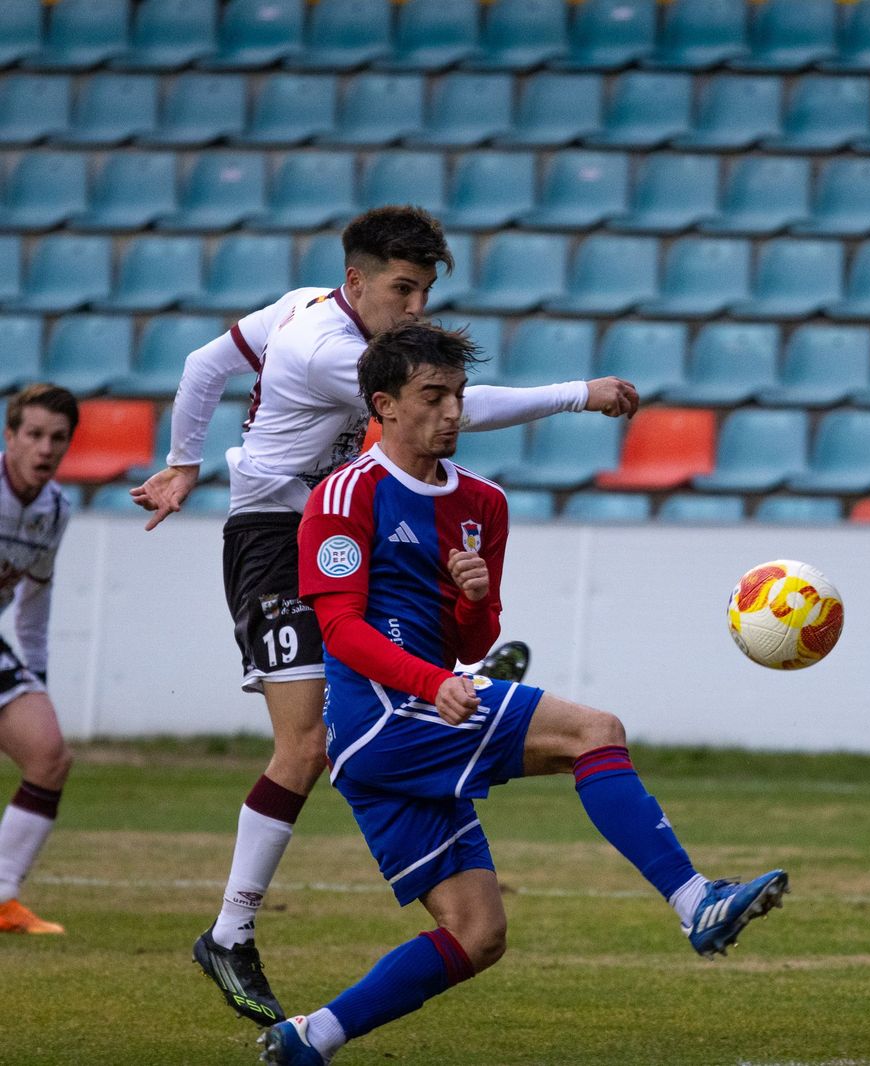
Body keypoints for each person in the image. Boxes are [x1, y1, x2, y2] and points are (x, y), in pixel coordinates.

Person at [129, 206, 640, 1026]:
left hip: (329, 521)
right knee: (309, 742)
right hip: (276, 536)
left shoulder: (301, 302)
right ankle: (230, 932)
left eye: (427, 290)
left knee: (375, 700)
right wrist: (580, 392)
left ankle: (454, 702)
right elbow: (455, 409)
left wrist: (185, 460)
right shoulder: (329, 348)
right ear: (358, 282)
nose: (416, 308)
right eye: (403, 289)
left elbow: (202, 362)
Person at [256, 321, 785, 1064]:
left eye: (459, 396)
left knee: (479, 935)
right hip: (382, 721)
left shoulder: (483, 504)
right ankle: (697, 902)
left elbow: (475, 644)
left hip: (420, 713)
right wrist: (433, 680)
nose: (452, 412)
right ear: (385, 405)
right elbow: (339, 629)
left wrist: (470, 602)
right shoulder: (346, 496)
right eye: (432, 396)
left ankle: (310, 1037)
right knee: (593, 731)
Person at [0, 384, 78, 935]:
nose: (44, 449)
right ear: (10, 438)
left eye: (58, 439)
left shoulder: (53, 511)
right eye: (33, 435)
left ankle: (2, 899)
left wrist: (38, 680)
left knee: (49, 753)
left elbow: (33, 604)